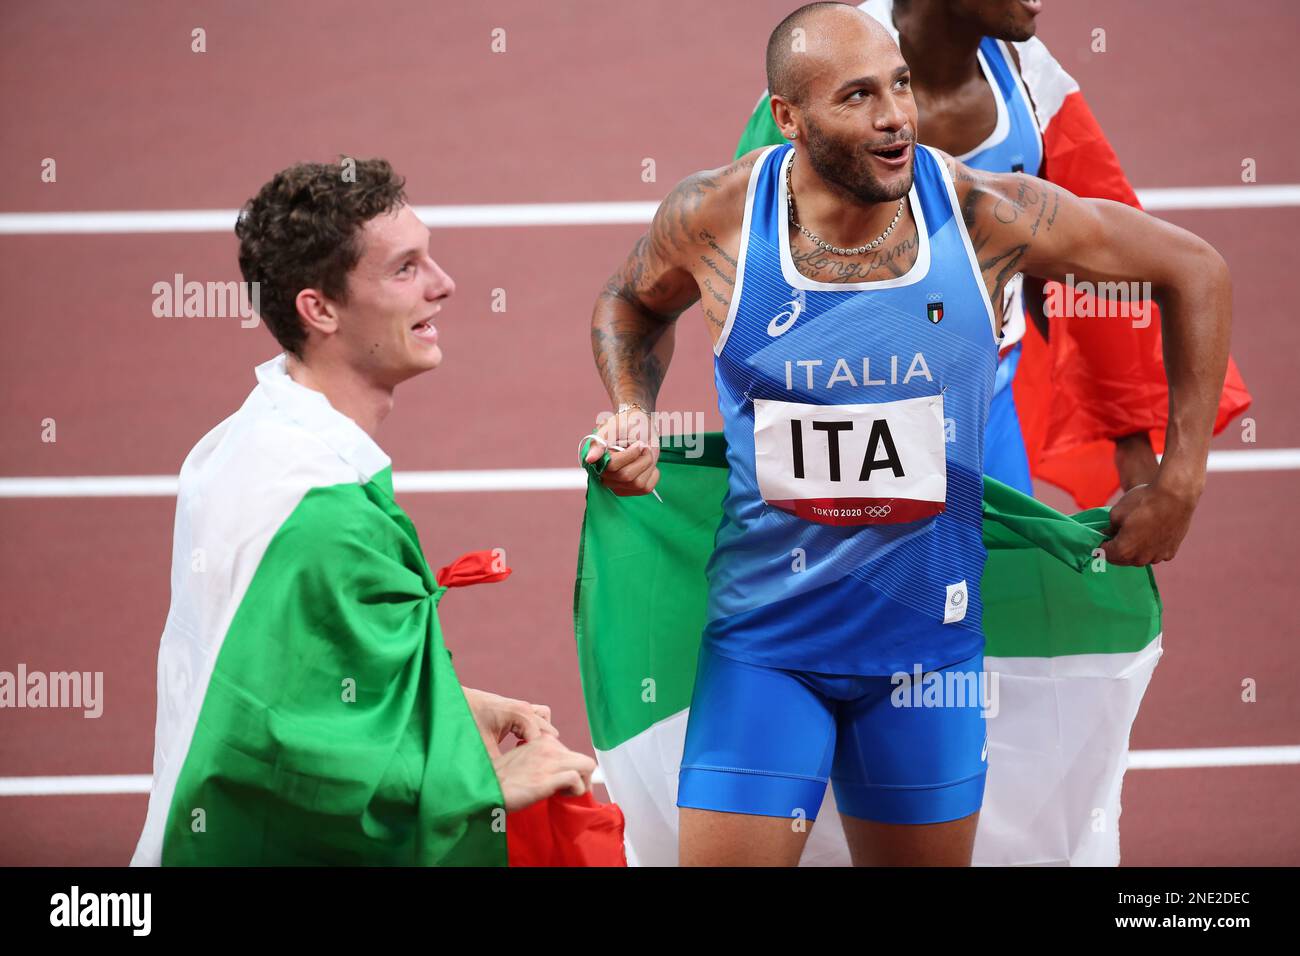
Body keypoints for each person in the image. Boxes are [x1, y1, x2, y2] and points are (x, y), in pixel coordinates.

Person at [584, 3, 1231, 866]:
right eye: (858, 97)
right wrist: (633, 407)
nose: (895, 116)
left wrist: (1180, 475)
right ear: (789, 118)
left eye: (899, 87)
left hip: (925, 660)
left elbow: (1196, 270)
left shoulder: (983, 215)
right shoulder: (718, 217)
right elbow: (628, 306)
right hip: (766, 648)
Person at [133, 158, 595, 866]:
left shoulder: (245, 443)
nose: (444, 285)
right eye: (406, 269)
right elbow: (288, 761)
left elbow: (295, 686)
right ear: (319, 309)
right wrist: (484, 787)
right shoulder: (326, 515)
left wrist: (445, 703)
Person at [734, 0, 1250, 505]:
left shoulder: (1029, 74)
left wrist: (1131, 432)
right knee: (842, 583)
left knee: (998, 582)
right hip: (848, 406)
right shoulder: (826, 61)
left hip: (987, 400)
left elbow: (1095, 242)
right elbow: (751, 269)